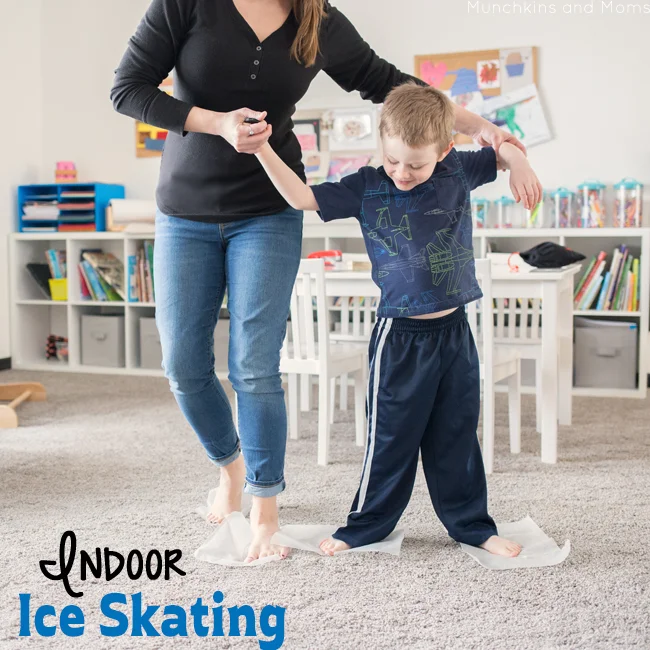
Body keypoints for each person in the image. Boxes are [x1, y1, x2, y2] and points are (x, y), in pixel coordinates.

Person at [111, 0, 529, 563]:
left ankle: (264, 506)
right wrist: (217, 122)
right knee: (184, 367)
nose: (405, 173)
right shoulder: (186, 4)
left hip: (269, 207)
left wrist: (484, 129)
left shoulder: (317, 18)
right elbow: (127, 90)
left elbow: (389, 83)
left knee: (254, 365)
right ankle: (230, 468)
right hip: (185, 207)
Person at [255, 82, 542, 557]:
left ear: (445, 150)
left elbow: (505, 149)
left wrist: (522, 164)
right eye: (392, 160)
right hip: (400, 337)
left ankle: (473, 525)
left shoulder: (457, 170)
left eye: (415, 164)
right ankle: (366, 525)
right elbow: (301, 198)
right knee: (391, 437)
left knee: (457, 433)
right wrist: (263, 147)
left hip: (455, 332)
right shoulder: (366, 187)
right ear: (381, 143)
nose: (402, 173)